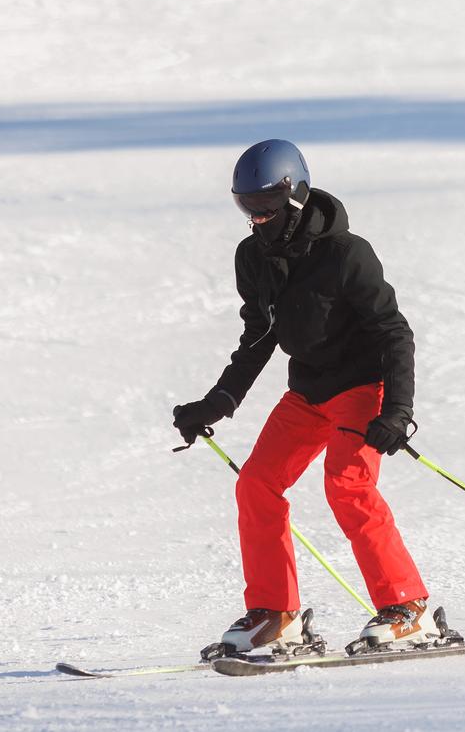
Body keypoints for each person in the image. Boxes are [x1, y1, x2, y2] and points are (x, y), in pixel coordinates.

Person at [172, 139, 435, 655]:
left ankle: (407, 608)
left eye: (266, 204)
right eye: (246, 205)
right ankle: (276, 613)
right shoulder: (253, 256)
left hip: (362, 385)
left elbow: (393, 331)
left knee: (347, 484)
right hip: (309, 393)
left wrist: (397, 410)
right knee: (256, 485)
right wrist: (218, 401)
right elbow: (259, 337)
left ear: (295, 193)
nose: (257, 218)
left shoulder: (346, 254)